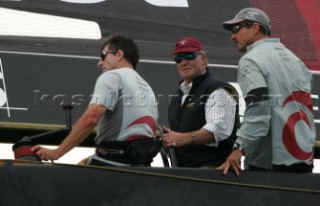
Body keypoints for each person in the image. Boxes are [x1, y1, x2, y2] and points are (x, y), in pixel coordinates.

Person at [31, 34, 160, 166]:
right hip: (142, 168)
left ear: (119, 54)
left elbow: (91, 118)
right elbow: (130, 142)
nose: (99, 63)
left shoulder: (112, 76)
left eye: (103, 56)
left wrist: (57, 152)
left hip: (113, 166)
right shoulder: (148, 89)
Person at [219, 7, 316, 175]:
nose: (232, 36)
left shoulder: (251, 60)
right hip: (303, 160)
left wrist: (238, 149)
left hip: (270, 163)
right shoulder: (296, 61)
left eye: (236, 29)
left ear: (255, 28)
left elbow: (259, 114)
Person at [161, 37, 240, 167]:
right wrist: (166, 140)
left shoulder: (218, 89)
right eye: (178, 59)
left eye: (189, 56)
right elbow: (180, 136)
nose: (183, 63)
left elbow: (218, 129)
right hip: (183, 173)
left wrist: (183, 138)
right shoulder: (178, 95)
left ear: (203, 59)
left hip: (213, 173)